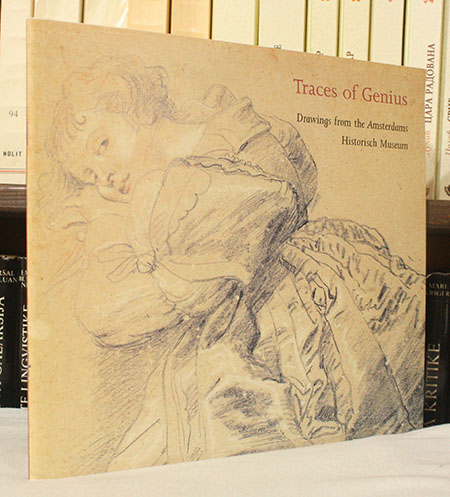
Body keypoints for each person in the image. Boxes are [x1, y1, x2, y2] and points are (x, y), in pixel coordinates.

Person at [44, 55, 424, 470]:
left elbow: (238, 246)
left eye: (102, 146)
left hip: (304, 304)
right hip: (221, 335)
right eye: (89, 176)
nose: (105, 177)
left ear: (134, 105)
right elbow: (104, 312)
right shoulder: (144, 204)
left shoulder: (237, 137)